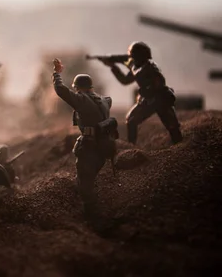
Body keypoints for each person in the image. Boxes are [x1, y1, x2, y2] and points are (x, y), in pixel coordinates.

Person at [52, 58, 117, 217]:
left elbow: (60, 90)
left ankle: (92, 216)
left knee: (85, 185)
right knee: (91, 179)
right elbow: (108, 101)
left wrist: (57, 74)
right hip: (104, 146)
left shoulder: (81, 99)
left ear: (78, 88)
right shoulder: (104, 100)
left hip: (89, 148)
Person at [103, 41, 182, 145]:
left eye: (133, 56)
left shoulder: (150, 68)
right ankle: (131, 146)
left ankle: (180, 145)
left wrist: (149, 89)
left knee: (172, 126)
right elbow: (125, 80)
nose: (131, 59)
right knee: (131, 120)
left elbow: (160, 82)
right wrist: (113, 67)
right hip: (149, 100)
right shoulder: (137, 67)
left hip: (160, 99)